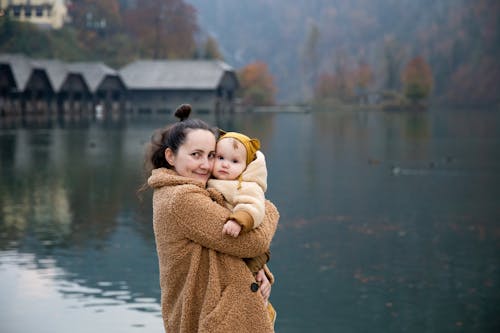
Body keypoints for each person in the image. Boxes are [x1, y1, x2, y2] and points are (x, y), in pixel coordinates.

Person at [144, 104, 279, 332]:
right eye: (196, 155)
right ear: (170, 156)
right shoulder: (183, 198)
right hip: (210, 320)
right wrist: (270, 210)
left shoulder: (198, 190)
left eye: (211, 156)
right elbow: (251, 242)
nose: (206, 165)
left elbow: (223, 247)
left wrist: (259, 268)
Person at [207, 131, 276, 324]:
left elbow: (252, 206)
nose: (225, 164)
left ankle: (263, 315)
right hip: (229, 257)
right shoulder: (210, 181)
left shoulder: (245, 186)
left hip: (242, 236)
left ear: (246, 167)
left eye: (234, 161)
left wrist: (238, 221)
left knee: (252, 285)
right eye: (220, 158)